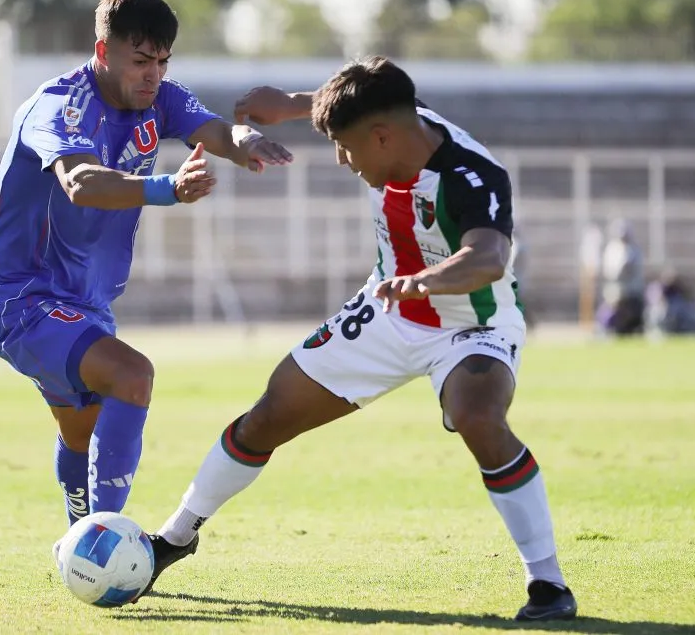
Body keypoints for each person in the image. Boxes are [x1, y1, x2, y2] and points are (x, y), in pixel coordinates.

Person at [140, 57, 577, 622]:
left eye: (346, 149)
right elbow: (344, 98)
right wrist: (289, 103)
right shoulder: (387, 119)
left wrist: (423, 280)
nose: (343, 162)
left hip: (472, 319)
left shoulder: (472, 175)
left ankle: (547, 584)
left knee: (478, 416)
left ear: (383, 137)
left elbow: (489, 258)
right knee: (268, 414)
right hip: (387, 309)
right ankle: (175, 538)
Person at [0, 0, 292, 534]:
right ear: (103, 53)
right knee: (132, 375)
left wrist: (245, 141)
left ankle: (77, 537)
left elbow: (214, 128)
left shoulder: (158, 97)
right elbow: (80, 181)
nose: (154, 74)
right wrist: (167, 188)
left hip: (85, 304)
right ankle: (103, 540)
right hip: (22, 299)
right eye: (141, 61)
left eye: (163, 61)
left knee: (81, 432)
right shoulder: (58, 107)